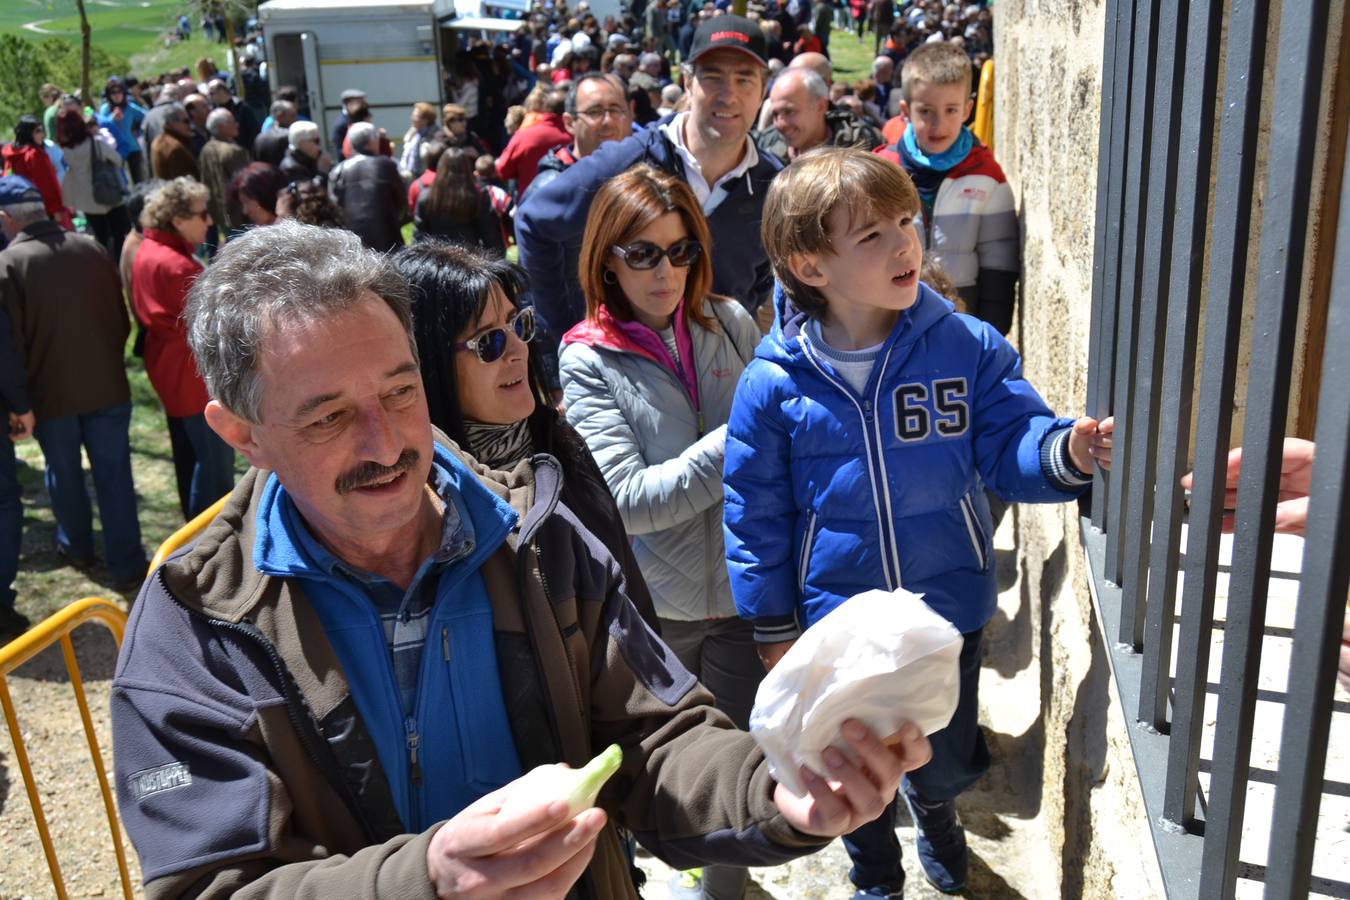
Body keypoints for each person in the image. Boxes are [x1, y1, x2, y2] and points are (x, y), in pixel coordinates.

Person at [110, 219, 933, 899]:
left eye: (401, 390)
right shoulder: (192, 631)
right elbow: (208, 886)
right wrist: (425, 881)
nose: (388, 442)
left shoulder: (534, 536)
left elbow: (656, 737)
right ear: (239, 434)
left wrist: (779, 792)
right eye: (327, 418)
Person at [723, 148, 1114, 898]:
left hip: (949, 610)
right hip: (839, 622)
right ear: (811, 267)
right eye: (871, 235)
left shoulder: (963, 347)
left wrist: (1064, 449)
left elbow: (1011, 442)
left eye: (907, 220)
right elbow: (755, 514)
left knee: (938, 754)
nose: (906, 242)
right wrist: (773, 624)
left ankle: (938, 816)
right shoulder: (772, 385)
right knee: (854, 757)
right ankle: (874, 865)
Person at [559, 165, 763, 900]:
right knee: (644, 781)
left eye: (680, 251)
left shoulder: (731, 323)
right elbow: (630, 502)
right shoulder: (586, 357)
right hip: (657, 614)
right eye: (642, 253)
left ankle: (725, 893)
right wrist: (745, 434)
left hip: (746, 598)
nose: (666, 271)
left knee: (739, 772)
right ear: (607, 258)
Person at [392, 240, 655, 627]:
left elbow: (631, 599)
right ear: (431, 365)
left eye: (518, 324)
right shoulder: (426, 502)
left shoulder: (560, 443)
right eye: (489, 342)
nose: (519, 349)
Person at [517, 15, 782, 392]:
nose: (729, 94)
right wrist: (560, 336)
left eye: (744, 79)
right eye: (713, 77)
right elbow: (534, 222)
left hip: (720, 386)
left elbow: (760, 279)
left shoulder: (774, 186)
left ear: (762, 89)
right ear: (687, 81)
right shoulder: (629, 162)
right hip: (625, 387)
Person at [0, 174, 146, 591]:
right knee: (114, 474)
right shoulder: (90, 246)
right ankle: (127, 562)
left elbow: (10, 345)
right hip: (107, 385)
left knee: (64, 474)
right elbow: (121, 320)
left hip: (51, 396)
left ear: (7, 219)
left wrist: (20, 398)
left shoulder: (8, 264)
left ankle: (77, 546)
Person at [876, 41, 1018, 334]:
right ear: (905, 110)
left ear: (968, 109)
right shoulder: (882, 169)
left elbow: (999, 261)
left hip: (961, 316)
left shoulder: (986, 176)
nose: (939, 124)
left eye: (951, 110)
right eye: (926, 111)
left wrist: (991, 333)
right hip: (889, 318)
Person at [132, 177, 236, 520]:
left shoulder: (149, 250)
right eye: (202, 213)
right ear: (177, 220)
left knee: (194, 458)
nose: (209, 221)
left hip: (171, 371)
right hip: (191, 379)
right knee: (215, 469)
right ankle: (206, 540)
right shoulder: (179, 266)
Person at [525, 73, 633, 202]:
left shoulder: (639, 174)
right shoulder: (548, 191)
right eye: (594, 112)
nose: (607, 121)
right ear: (570, 123)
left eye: (615, 109)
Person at [757, 67, 881, 164]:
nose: (780, 124)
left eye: (789, 112)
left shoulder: (859, 145)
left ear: (820, 106)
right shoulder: (766, 146)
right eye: (775, 114)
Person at [55, 108, 132, 259]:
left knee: (101, 238)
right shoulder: (96, 144)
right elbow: (117, 159)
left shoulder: (66, 152)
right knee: (120, 235)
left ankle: (108, 269)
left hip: (89, 202)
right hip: (110, 195)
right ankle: (123, 267)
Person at [329, 122, 406, 253]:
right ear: (371, 141)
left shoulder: (338, 171)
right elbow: (401, 201)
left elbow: (335, 207)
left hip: (351, 244)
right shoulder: (386, 165)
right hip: (388, 241)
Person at [412, 147, 504, 253]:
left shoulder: (425, 197)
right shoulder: (478, 197)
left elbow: (419, 237)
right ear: (467, 169)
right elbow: (490, 235)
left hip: (437, 259)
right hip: (469, 258)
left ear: (441, 168)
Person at [494, 87, 571, 196]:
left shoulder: (524, 135)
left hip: (531, 203)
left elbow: (502, 170)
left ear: (544, 108)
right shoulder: (577, 136)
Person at [3, 117, 66, 226]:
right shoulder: (34, 154)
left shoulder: (10, 155)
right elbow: (48, 184)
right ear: (27, 133)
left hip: (20, 212)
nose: (42, 134)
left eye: (42, 130)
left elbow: (7, 180)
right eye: (38, 131)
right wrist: (57, 208)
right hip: (43, 209)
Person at [198, 108, 251, 238]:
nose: (237, 124)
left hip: (219, 213)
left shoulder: (206, 149)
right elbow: (246, 184)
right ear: (221, 127)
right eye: (232, 121)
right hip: (238, 213)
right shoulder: (233, 151)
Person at [97, 76, 148, 183]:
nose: (117, 95)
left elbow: (147, 117)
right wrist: (112, 118)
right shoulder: (105, 109)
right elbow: (101, 126)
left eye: (119, 92)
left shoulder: (130, 108)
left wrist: (139, 131)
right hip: (115, 149)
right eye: (113, 92)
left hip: (133, 147)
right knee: (120, 181)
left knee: (139, 180)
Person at [228, 162, 286, 230]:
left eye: (247, 201)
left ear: (267, 196)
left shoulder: (295, 232)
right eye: (242, 204)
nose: (245, 211)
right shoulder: (256, 235)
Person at [207, 78, 261, 151]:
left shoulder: (241, 107)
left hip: (243, 150)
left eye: (211, 94)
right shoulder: (214, 110)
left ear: (221, 91)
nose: (209, 97)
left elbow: (254, 131)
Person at [149, 103, 200, 181]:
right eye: (186, 121)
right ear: (172, 123)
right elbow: (184, 182)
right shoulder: (174, 148)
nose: (190, 125)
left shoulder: (158, 141)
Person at [279, 120, 330, 186]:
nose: (319, 145)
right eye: (316, 141)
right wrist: (322, 173)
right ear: (301, 143)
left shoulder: (312, 158)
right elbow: (307, 193)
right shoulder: (290, 168)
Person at [398, 101, 440, 180]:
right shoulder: (414, 133)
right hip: (410, 176)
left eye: (415, 116)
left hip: (427, 178)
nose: (412, 118)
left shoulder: (436, 136)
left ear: (425, 120)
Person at [253, 99, 297, 167]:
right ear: (279, 117)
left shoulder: (259, 138)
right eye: (292, 116)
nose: (296, 120)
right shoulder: (287, 136)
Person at [329, 88, 368, 153]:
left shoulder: (357, 118)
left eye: (362, 102)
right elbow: (341, 151)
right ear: (348, 104)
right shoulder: (341, 124)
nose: (362, 106)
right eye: (359, 103)